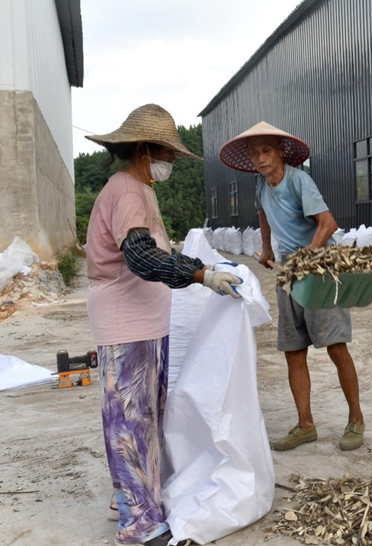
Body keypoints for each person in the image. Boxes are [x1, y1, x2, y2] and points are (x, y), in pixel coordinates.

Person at [85, 104, 242, 546]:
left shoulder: (141, 188)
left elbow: (160, 252)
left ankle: (133, 496)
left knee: (147, 416)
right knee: (129, 418)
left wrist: (200, 267)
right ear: (144, 149)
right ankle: (139, 523)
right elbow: (140, 256)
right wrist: (198, 276)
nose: (171, 162)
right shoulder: (126, 191)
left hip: (147, 321)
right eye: (167, 154)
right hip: (124, 320)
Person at [219, 122, 365, 452]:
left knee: (335, 346)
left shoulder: (300, 181)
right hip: (287, 271)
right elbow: (263, 215)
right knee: (293, 350)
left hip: (319, 270)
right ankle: (306, 425)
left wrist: (308, 257)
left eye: (266, 151)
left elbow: (328, 223)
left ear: (280, 151)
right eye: (254, 153)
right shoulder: (261, 185)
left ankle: (356, 419)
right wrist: (268, 249)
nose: (260, 158)